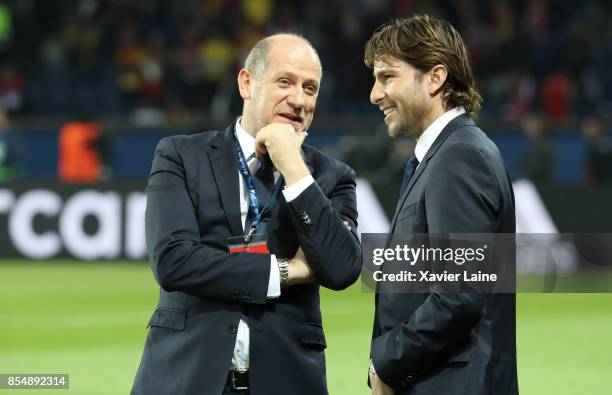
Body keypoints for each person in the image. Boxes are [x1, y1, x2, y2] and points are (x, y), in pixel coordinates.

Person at [131, 34, 361, 395]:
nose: (299, 99)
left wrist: (295, 171)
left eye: (310, 88)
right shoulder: (180, 156)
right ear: (246, 83)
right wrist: (287, 271)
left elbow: (343, 268)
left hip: (286, 381)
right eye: (284, 82)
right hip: (186, 377)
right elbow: (173, 260)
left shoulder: (332, 176)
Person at [364, 15, 518, 395]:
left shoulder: (459, 156)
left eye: (387, 77)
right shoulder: (446, 153)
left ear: (435, 78)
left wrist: (387, 364)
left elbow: (459, 292)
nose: (375, 94)